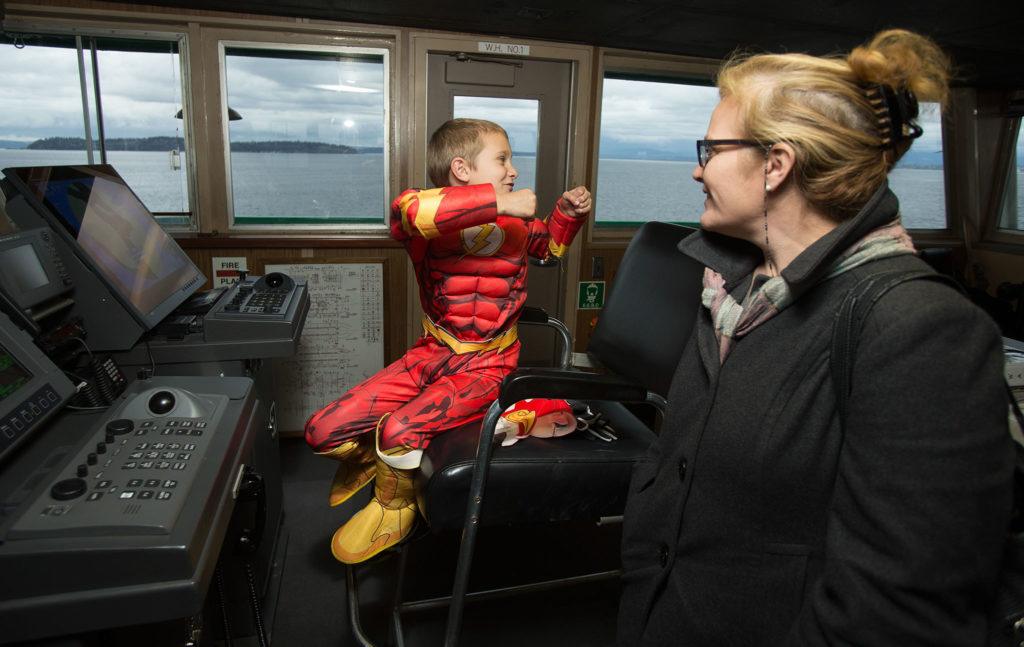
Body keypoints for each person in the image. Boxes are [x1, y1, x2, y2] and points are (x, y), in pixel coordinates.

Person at [617, 29, 1014, 645]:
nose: (697, 169)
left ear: (776, 164)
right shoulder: (730, 288)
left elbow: (897, 614)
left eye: (711, 148)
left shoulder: (921, 329)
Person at [305, 118, 592, 564]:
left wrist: (566, 217)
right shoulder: (418, 215)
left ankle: (395, 508)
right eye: (502, 159)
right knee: (320, 433)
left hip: (490, 363)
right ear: (461, 168)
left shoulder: (517, 226)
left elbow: (549, 250)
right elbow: (411, 213)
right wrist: (500, 200)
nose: (513, 170)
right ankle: (380, 461)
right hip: (432, 353)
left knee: (398, 432)